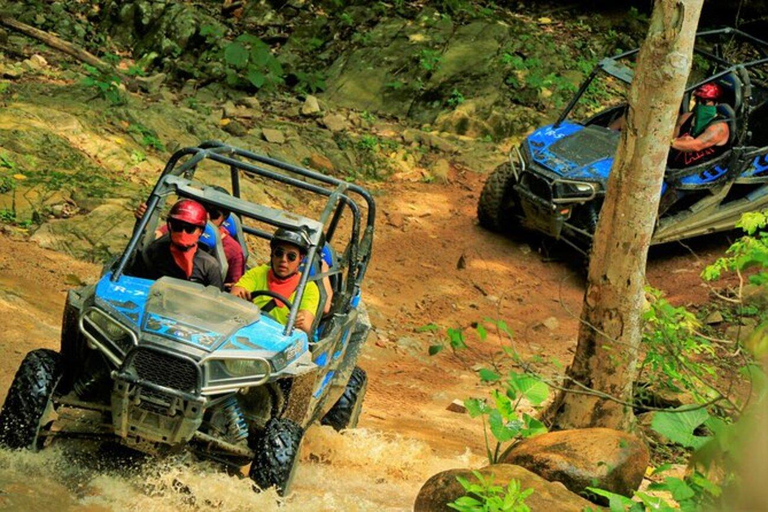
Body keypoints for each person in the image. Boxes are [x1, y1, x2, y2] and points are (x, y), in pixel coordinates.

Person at [135, 186, 245, 287]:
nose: (207, 216)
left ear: (224, 218)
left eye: (214, 214)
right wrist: (145, 222)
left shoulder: (226, 256)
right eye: (203, 209)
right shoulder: (165, 240)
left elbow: (234, 288)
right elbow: (150, 240)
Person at [230, 228, 319, 335]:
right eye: (279, 253)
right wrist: (241, 301)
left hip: (280, 340)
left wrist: (299, 320)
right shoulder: (257, 273)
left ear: (300, 259)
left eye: (291, 256)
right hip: (248, 331)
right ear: (272, 254)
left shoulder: (308, 287)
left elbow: (306, 325)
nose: (283, 260)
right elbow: (234, 296)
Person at [130, 199, 223, 289]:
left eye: (189, 229)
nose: (183, 232)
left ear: (200, 231)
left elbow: (216, 301)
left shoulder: (209, 265)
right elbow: (135, 282)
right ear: (170, 226)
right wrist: (141, 221)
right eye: (177, 226)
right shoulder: (154, 252)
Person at [668, 82, 731, 168]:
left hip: (699, 172)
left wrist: (670, 142)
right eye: (698, 100)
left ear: (715, 103)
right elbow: (672, 134)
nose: (700, 104)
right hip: (672, 166)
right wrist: (674, 140)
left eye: (705, 102)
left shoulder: (719, 128)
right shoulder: (686, 117)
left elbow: (697, 145)